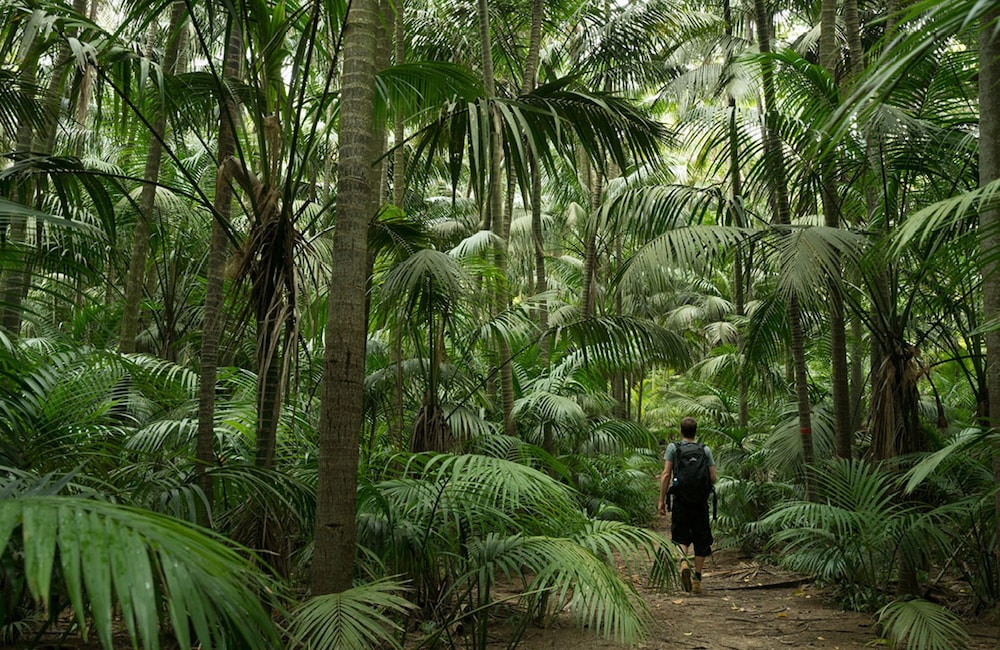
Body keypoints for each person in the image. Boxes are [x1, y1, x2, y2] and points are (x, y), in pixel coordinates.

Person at [658, 416, 716, 594]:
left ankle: (683, 561)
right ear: (695, 432)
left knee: (681, 535)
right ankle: (697, 578)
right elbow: (713, 477)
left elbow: (666, 475)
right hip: (700, 502)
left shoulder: (673, 448)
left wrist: (661, 500)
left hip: (681, 500)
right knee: (701, 539)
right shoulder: (704, 449)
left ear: (681, 431)